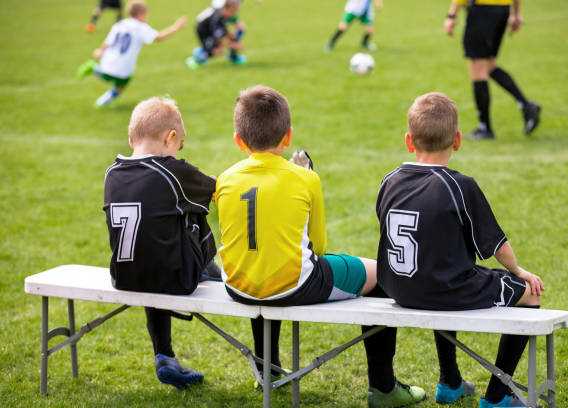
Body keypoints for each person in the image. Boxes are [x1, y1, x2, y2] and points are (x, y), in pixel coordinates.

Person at [215, 85, 426, 407]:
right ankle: (383, 388)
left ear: (238, 140)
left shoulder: (225, 178)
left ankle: (266, 367)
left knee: (261, 262)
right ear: (288, 136)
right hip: (293, 284)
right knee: (380, 273)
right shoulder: (304, 178)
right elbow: (317, 247)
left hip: (237, 285)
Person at [367, 92, 544, 407]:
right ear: (458, 140)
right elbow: (496, 245)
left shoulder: (389, 180)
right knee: (530, 293)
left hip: (397, 289)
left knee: (445, 269)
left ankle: (450, 381)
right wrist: (518, 271)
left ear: (409, 141)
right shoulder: (459, 186)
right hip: (443, 290)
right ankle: (498, 396)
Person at [103, 96, 219, 389]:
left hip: (125, 277)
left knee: (155, 246)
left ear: (131, 138)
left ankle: (164, 355)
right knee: (193, 211)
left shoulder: (112, 173)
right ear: (171, 137)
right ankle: (209, 267)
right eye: (180, 144)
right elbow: (219, 190)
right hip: (178, 278)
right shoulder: (173, 171)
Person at [444, 0, 541, 139]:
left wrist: (451, 14)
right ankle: (526, 105)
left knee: (478, 70)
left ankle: (485, 128)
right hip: (503, 11)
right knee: (489, 65)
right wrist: (516, 12)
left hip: (482, 11)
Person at [76, 0, 186, 108]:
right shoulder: (140, 27)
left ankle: (95, 75)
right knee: (121, 84)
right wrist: (176, 26)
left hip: (108, 60)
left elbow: (107, 42)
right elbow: (159, 37)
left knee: (108, 76)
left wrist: (100, 51)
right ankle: (99, 96)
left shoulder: (119, 24)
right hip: (123, 66)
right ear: (141, 14)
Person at [185, 0, 246, 69]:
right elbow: (220, 40)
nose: (234, 14)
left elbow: (223, 28)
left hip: (211, 29)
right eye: (233, 12)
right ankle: (196, 59)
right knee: (218, 50)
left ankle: (233, 57)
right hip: (205, 32)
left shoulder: (223, 13)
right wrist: (234, 45)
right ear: (226, 9)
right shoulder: (217, 18)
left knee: (233, 36)